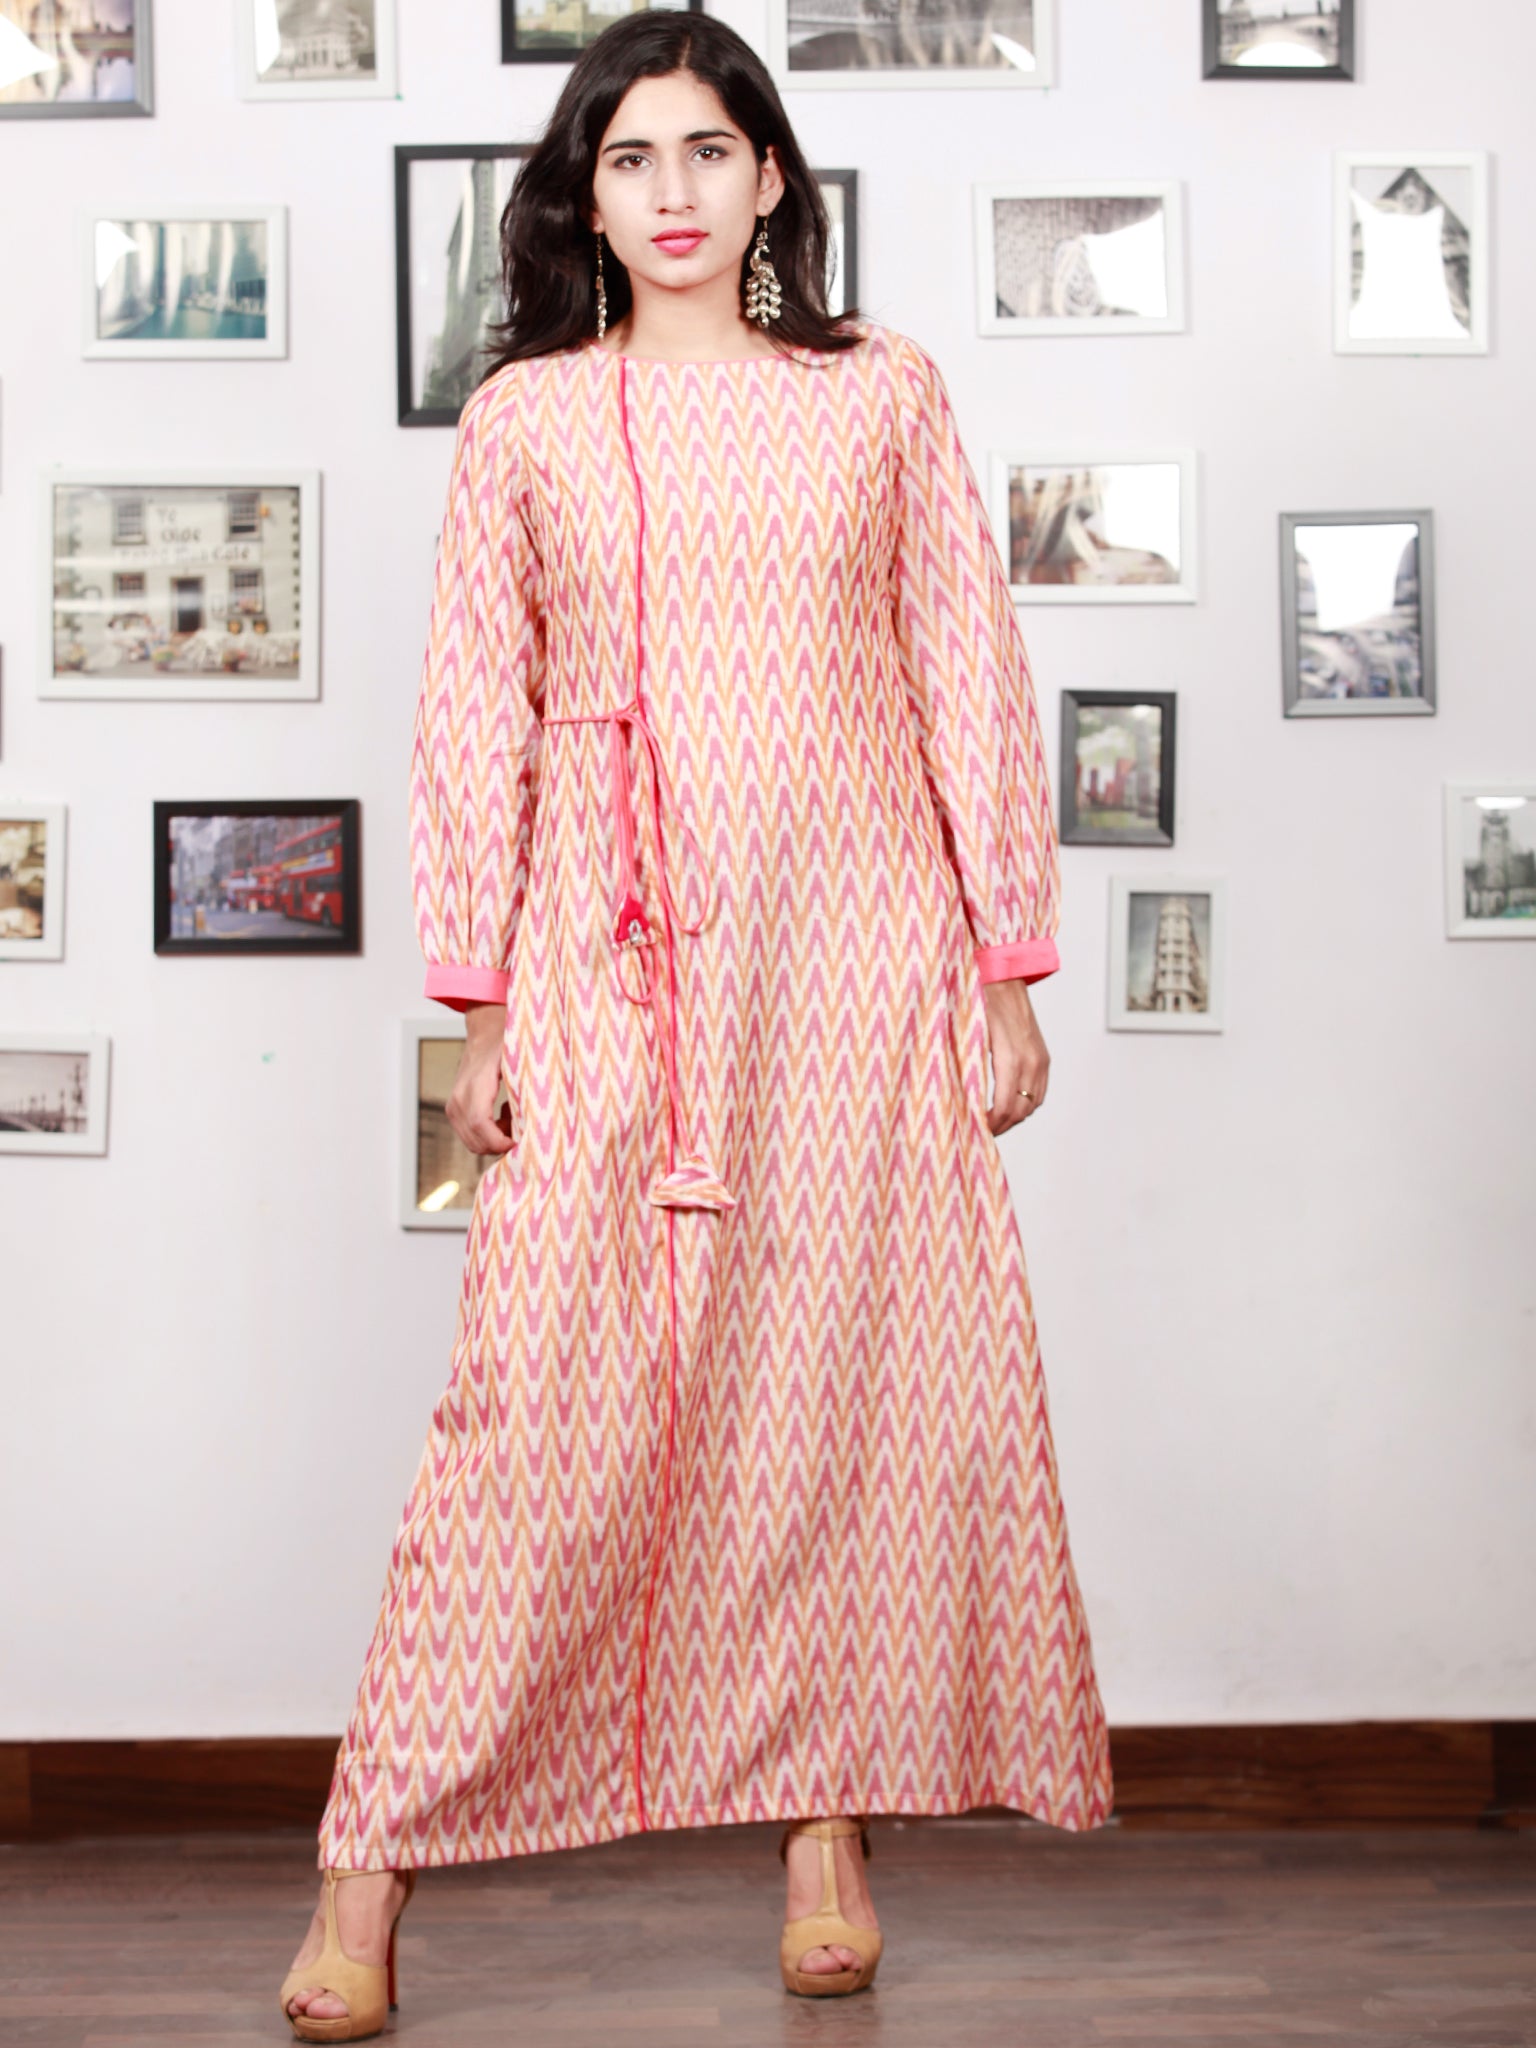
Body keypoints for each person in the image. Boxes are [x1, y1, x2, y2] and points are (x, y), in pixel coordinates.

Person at [279, 11, 1113, 2036]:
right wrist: (479, 1004)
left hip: (854, 964)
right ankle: (362, 1875)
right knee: (526, 1420)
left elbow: (966, 665)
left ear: (770, 179)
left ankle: (826, 1840)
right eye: (631, 157)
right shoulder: (528, 421)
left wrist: (1004, 968)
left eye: (708, 152)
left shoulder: (880, 392)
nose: (672, 192)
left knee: (836, 1394)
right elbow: (470, 711)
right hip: (611, 963)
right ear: (584, 195)